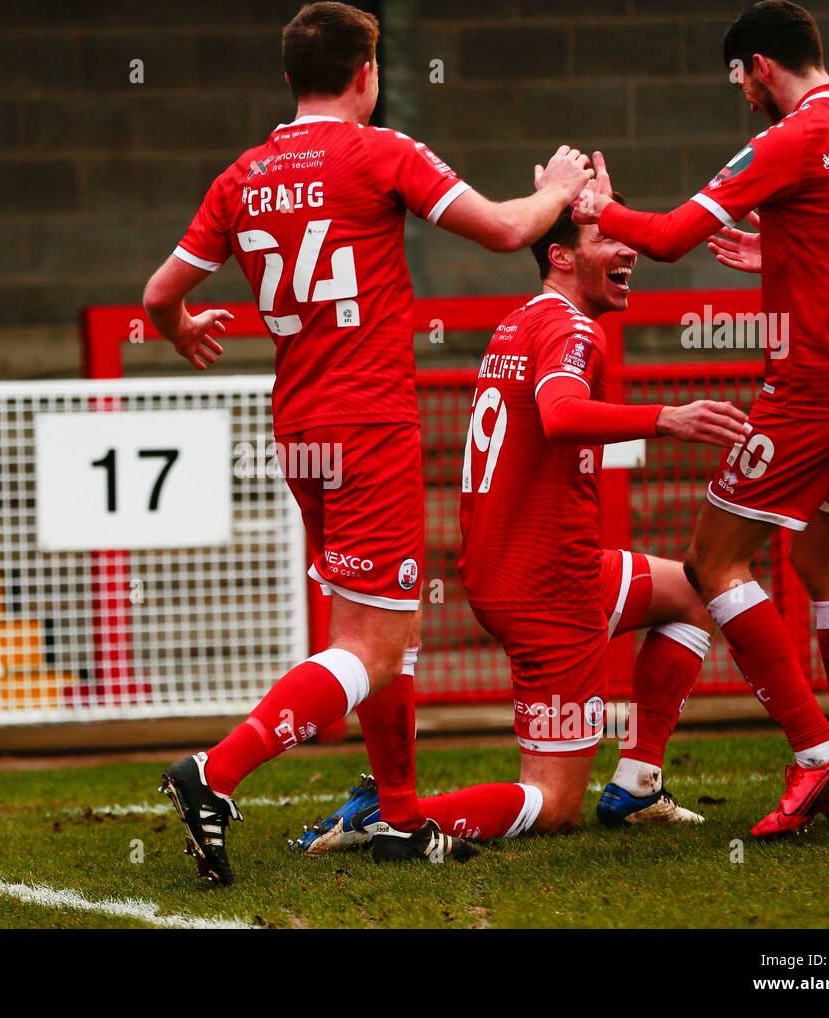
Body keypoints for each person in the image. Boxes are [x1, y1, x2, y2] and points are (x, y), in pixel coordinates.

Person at [141, 1, 594, 883]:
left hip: (302, 426)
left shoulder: (244, 175)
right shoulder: (378, 150)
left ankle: (396, 816)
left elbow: (159, 293)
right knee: (377, 644)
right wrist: (562, 188)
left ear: (289, 79)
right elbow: (507, 229)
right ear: (367, 76)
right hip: (371, 422)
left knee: (384, 629)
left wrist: (184, 328)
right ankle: (214, 773)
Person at [293, 171, 750, 853]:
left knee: (692, 592)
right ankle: (395, 816)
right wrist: (669, 418)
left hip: (531, 569)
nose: (627, 249)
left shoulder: (523, 318)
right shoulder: (571, 330)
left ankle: (638, 784)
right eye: (606, 236)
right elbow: (562, 413)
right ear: (561, 256)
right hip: (548, 594)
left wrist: (581, 202)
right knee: (555, 803)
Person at [573, 0, 829, 836]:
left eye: (740, 82)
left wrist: (596, 208)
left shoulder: (791, 137)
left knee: (710, 560)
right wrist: (787, 249)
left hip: (818, 389)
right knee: (824, 557)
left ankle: (816, 753)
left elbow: (666, 238)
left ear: (759, 67)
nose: (743, 100)